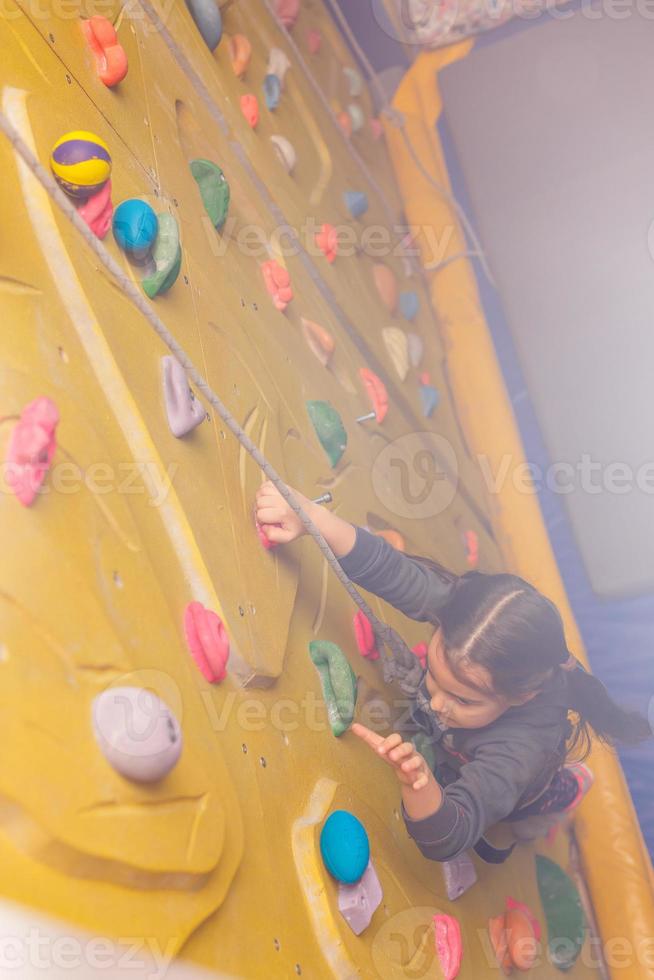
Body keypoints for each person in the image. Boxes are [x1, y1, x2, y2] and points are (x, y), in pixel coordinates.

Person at [255, 481, 651, 863]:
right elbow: (386, 567)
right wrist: (310, 516)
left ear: (520, 696)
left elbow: (452, 835)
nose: (438, 703)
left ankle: (567, 791)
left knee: (524, 814)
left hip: (528, 789)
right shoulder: (462, 613)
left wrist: (421, 786)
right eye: (436, 674)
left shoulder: (521, 748)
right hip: (468, 742)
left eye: (463, 698)